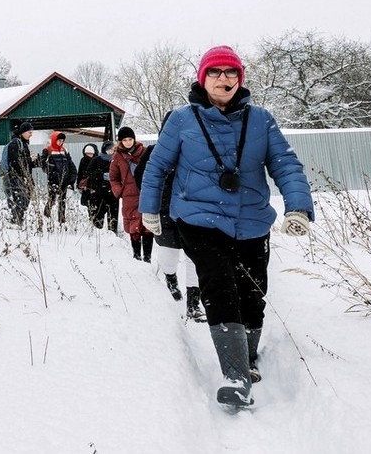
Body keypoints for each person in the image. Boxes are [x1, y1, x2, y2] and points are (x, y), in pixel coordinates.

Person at [139, 45, 314, 408]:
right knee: (219, 286)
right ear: (203, 79)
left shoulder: (261, 119)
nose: (224, 79)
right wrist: (149, 210)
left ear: (240, 79)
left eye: (231, 72)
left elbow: (285, 164)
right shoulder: (182, 120)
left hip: (251, 221)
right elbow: (157, 167)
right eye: (216, 72)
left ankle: (248, 356)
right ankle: (234, 375)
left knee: (253, 292)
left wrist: (297, 207)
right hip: (199, 219)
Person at [134, 112, 204, 321]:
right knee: (169, 255)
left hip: (192, 212)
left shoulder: (196, 150)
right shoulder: (154, 151)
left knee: (195, 258)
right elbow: (141, 178)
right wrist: (155, 202)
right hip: (164, 212)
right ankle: (171, 280)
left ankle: (193, 305)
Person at [110, 125, 153, 261]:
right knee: (134, 227)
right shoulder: (117, 157)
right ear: (120, 142)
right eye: (125, 140)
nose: (128, 142)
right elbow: (113, 177)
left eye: (130, 139)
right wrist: (120, 191)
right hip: (129, 196)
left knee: (147, 226)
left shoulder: (145, 152)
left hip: (146, 193)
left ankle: (147, 258)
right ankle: (136, 257)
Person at [4, 121, 38, 225]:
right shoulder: (15, 143)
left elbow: (25, 163)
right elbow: (15, 162)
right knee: (20, 199)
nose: (31, 134)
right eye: (29, 132)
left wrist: (36, 161)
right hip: (16, 177)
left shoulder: (23, 144)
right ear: (23, 132)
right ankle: (16, 221)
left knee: (23, 199)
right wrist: (29, 159)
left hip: (24, 177)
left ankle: (18, 220)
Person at [42, 131, 77, 223]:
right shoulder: (48, 150)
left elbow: (70, 163)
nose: (61, 142)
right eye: (59, 140)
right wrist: (51, 171)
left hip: (64, 180)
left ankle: (62, 220)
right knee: (52, 199)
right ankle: (46, 216)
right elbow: (43, 165)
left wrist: (72, 175)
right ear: (54, 140)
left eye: (62, 141)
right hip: (53, 180)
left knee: (62, 201)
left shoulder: (64, 150)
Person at [84, 141, 118, 232]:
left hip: (113, 192)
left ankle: (113, 232)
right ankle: (98, 233)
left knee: (113, 214)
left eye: (112, 150)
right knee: (99, 213)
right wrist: (102, 175)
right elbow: (89, 172)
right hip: (99, 192)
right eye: (109, 150)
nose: (111, 152)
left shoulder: (116, 160)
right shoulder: (96, 160)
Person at [76, 143, 98, 217]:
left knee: (96, 203)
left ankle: (95, 218)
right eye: (87, 153)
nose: (89, 155)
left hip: (95, 185)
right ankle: (91, 217)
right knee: (89, 203)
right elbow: (79, 173)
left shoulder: (97, 160)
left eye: (90, 153)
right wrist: (78, 184)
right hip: (87, 185)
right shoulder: (83, 160)